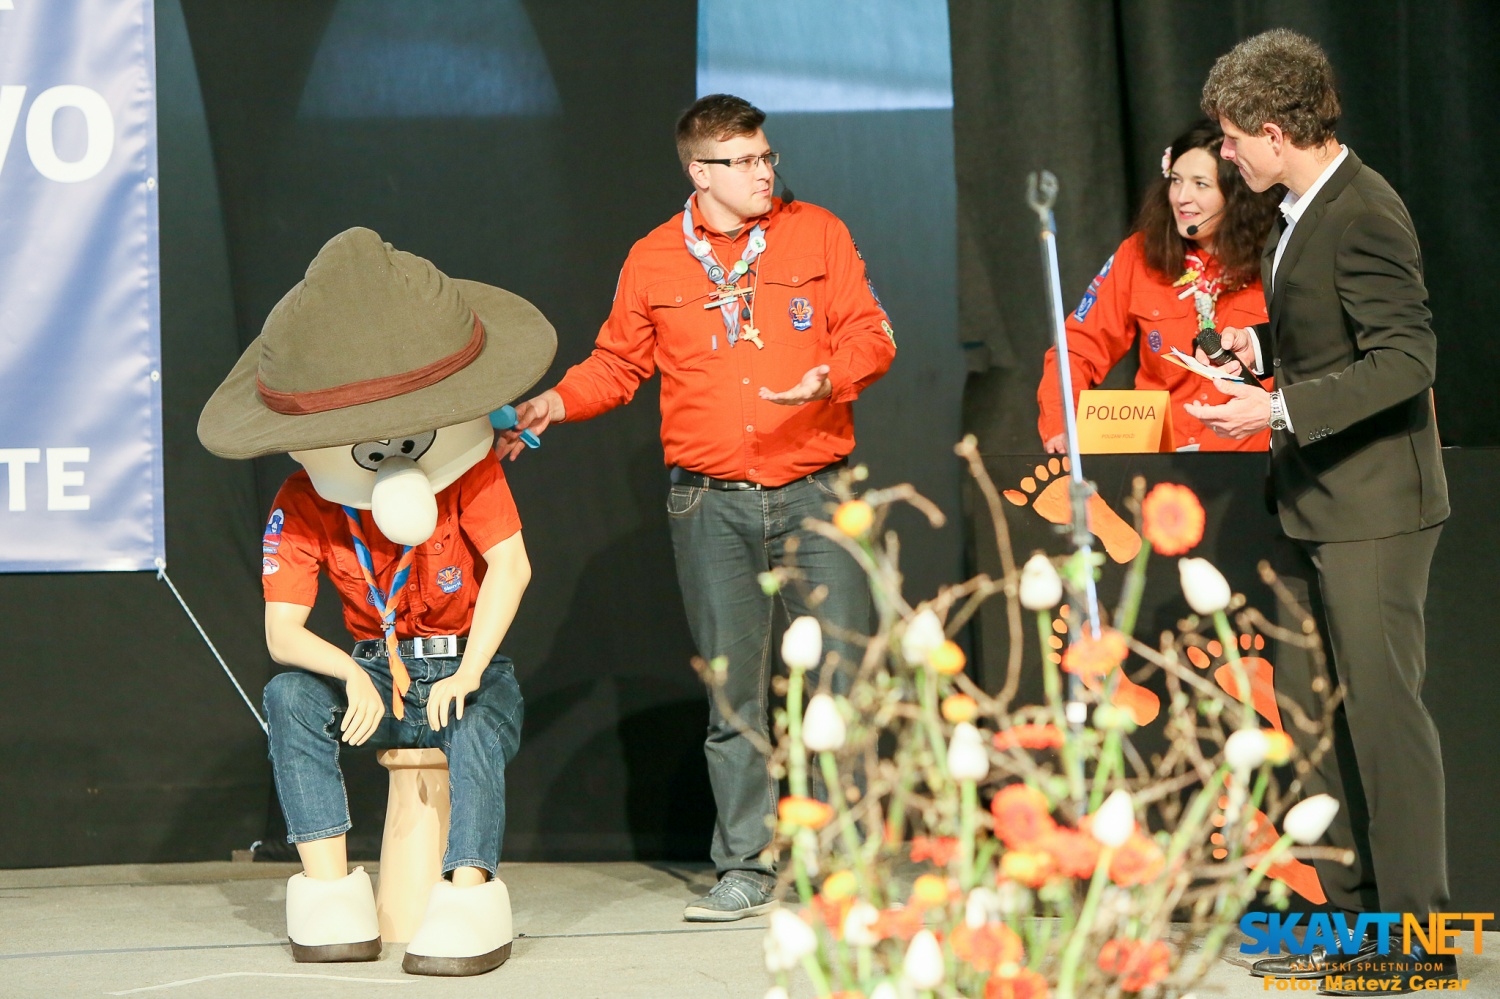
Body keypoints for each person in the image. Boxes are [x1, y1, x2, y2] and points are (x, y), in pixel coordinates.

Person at [500, 93, 896, 921]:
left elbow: (872, 332)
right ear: (699, 171)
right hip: (709, 506)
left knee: (839, 684)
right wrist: (553, 405)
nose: (763, 173)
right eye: (744, 162)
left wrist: (832, 374)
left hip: (816, 491)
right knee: (734, 696)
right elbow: (616, 365)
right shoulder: (653, 258)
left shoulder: (815, 231)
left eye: (766, 157)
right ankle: (747, 865)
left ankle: (841, 865)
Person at [198, 227, 557, 976]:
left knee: (474, 723)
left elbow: (511, 567)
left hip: (464, 668)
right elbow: (282, 631)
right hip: (378, 676)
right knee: (290, 694)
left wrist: (470, 670)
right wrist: (352, 672)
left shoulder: (470, 474)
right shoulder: (304, 502)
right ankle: (328, 889)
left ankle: (469, 894)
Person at [1189, 30, 1451, 995]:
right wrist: (1265, 358)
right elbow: (1337, 335)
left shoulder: (1365, 210)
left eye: (1229, 140)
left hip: (1375, 509)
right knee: (1333, 725)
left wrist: (1283, 407)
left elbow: (1408, 358)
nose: (1224, 159)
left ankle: (1417, 939)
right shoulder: (1302, 206)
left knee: (1386, 725)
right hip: (1319, 505)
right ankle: (1360, 920)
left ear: (1271, 128)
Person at [1037, 120, 1280, 453]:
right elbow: (1076, 350)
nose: (1182, 197)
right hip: (1158, 461)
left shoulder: (1279, 257)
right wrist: (1062, 423)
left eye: (1201, 184)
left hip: (1255, 462)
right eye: (1176, 181)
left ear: (1238, 196)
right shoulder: (1139, 255)